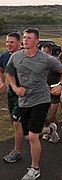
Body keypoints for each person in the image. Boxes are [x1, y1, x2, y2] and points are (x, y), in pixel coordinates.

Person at [5, 28, 62, 180]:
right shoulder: (16, 56)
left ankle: (35, 168)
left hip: (41, 99)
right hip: (23, 101)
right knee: (28, 136)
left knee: (33, 136)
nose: (25, 40)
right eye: (24, 37)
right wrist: (15, 88)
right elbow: (9, 73)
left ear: (37, 41)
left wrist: (60, 85)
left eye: (29, 38)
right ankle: (50, 130)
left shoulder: (46, 59)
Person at [0, 32, 23, 163]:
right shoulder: (3, 56)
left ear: (19, 43)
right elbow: (1, 70)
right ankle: (50, 129)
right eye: (7, 42)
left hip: (25, 94)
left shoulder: (25, 56)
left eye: (12, 42)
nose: (9, 44)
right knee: (23, 126)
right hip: (11, 94)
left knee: (17, 122)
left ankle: (17, 152)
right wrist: (2, 82)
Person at [41, 45, 61, 142]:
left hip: (54, 91)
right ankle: (48, 131)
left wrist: (59, 86)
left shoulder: (54, 63)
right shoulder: (38, 63)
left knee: (52, 115)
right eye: (42, 52)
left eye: (45, 52)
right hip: (43, 92)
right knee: (43, 114)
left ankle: (55, 132)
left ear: (50, 52)